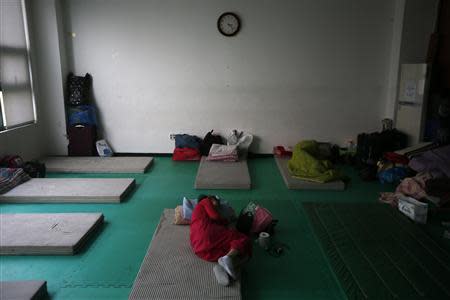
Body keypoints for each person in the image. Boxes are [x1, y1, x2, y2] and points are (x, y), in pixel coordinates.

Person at [190, 195, 251, 285]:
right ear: (210, 198)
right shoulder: (205, 201)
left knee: (230, 249)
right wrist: (226, 220)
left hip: (198, 247)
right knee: (243, 239)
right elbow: (215, 217)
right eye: (217, 203)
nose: (218, 206)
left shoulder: (197, 214)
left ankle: (222, 267)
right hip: (207, 234)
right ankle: (228, 260)